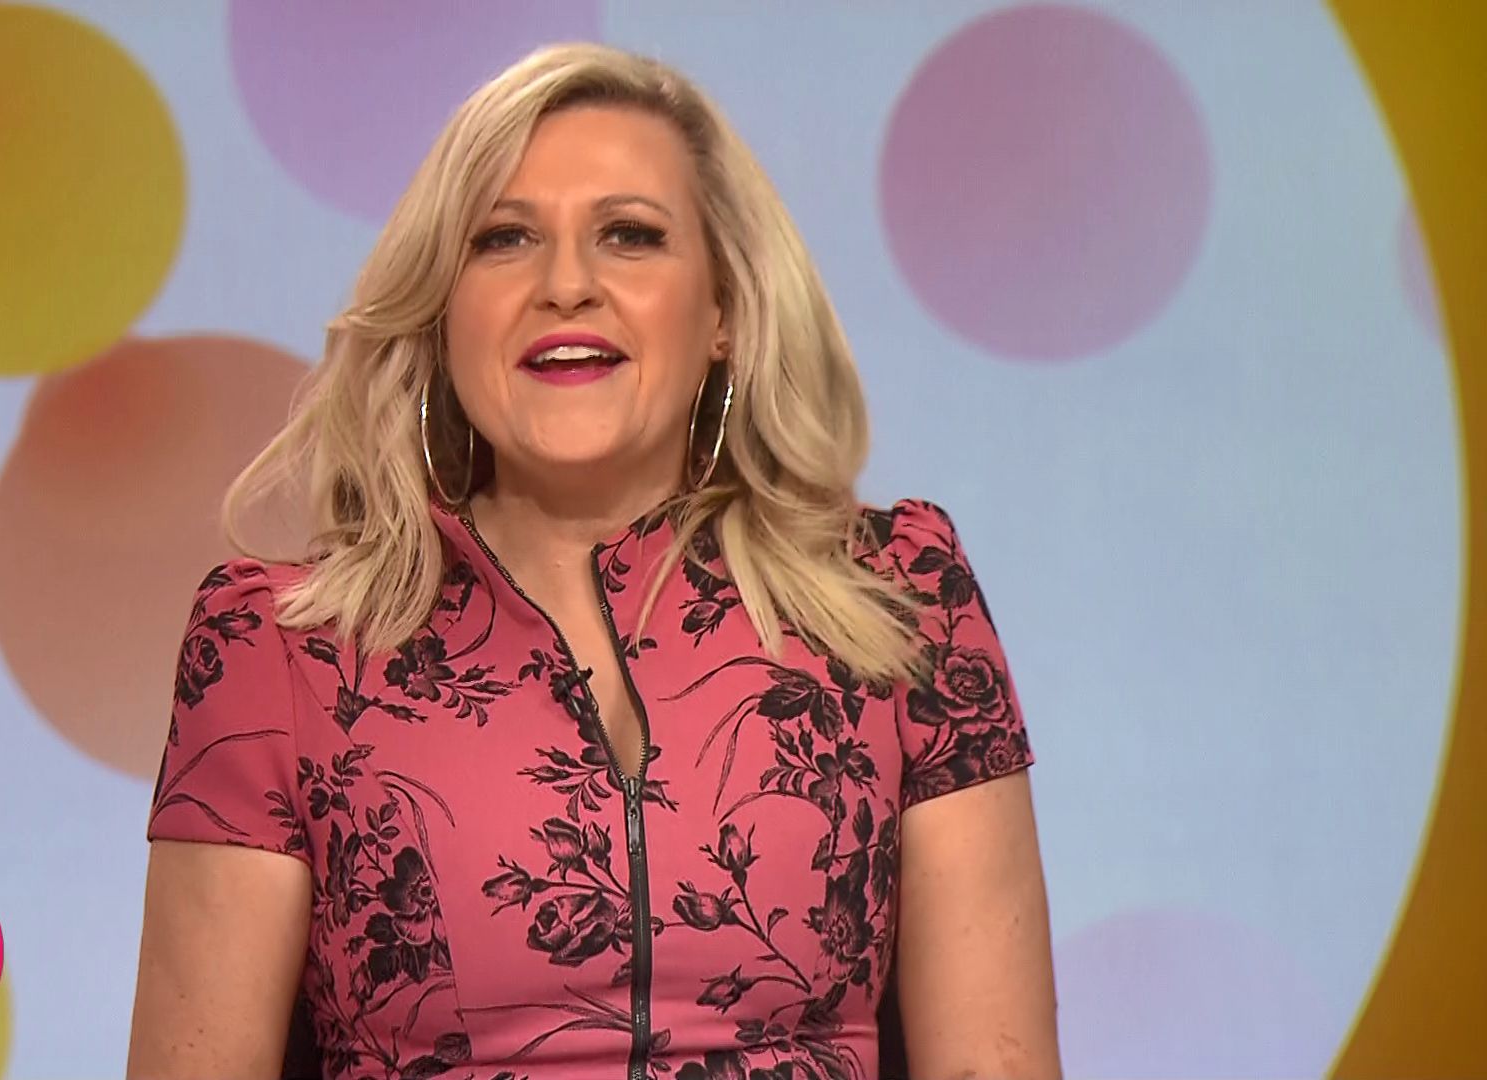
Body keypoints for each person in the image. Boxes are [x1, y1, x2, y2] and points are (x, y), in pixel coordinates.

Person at [126, 41, 1060, 1080]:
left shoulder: (901, 602)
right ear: (441, 314)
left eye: (630, 236)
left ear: (722, 311)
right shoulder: (279, 651)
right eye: (504, 239)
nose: (566, 285)